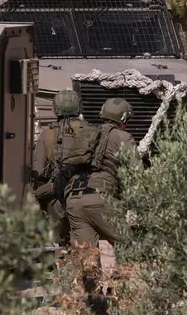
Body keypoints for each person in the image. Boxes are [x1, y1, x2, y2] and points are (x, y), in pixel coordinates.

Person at [64, 98, 139, 262]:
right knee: (129, 248)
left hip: (74, 198)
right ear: (124, 119)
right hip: (100, 198)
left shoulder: (87, 133)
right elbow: (136, 173)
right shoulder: (123, 137)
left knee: (86, 260)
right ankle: (124, 286)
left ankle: (84, 287)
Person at [31, 89, 88, 247]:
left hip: (56, 195)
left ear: (55, 108)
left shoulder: (47, 134)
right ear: (79, 107)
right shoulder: (91, 131)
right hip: (86, 190)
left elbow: (39, 170)